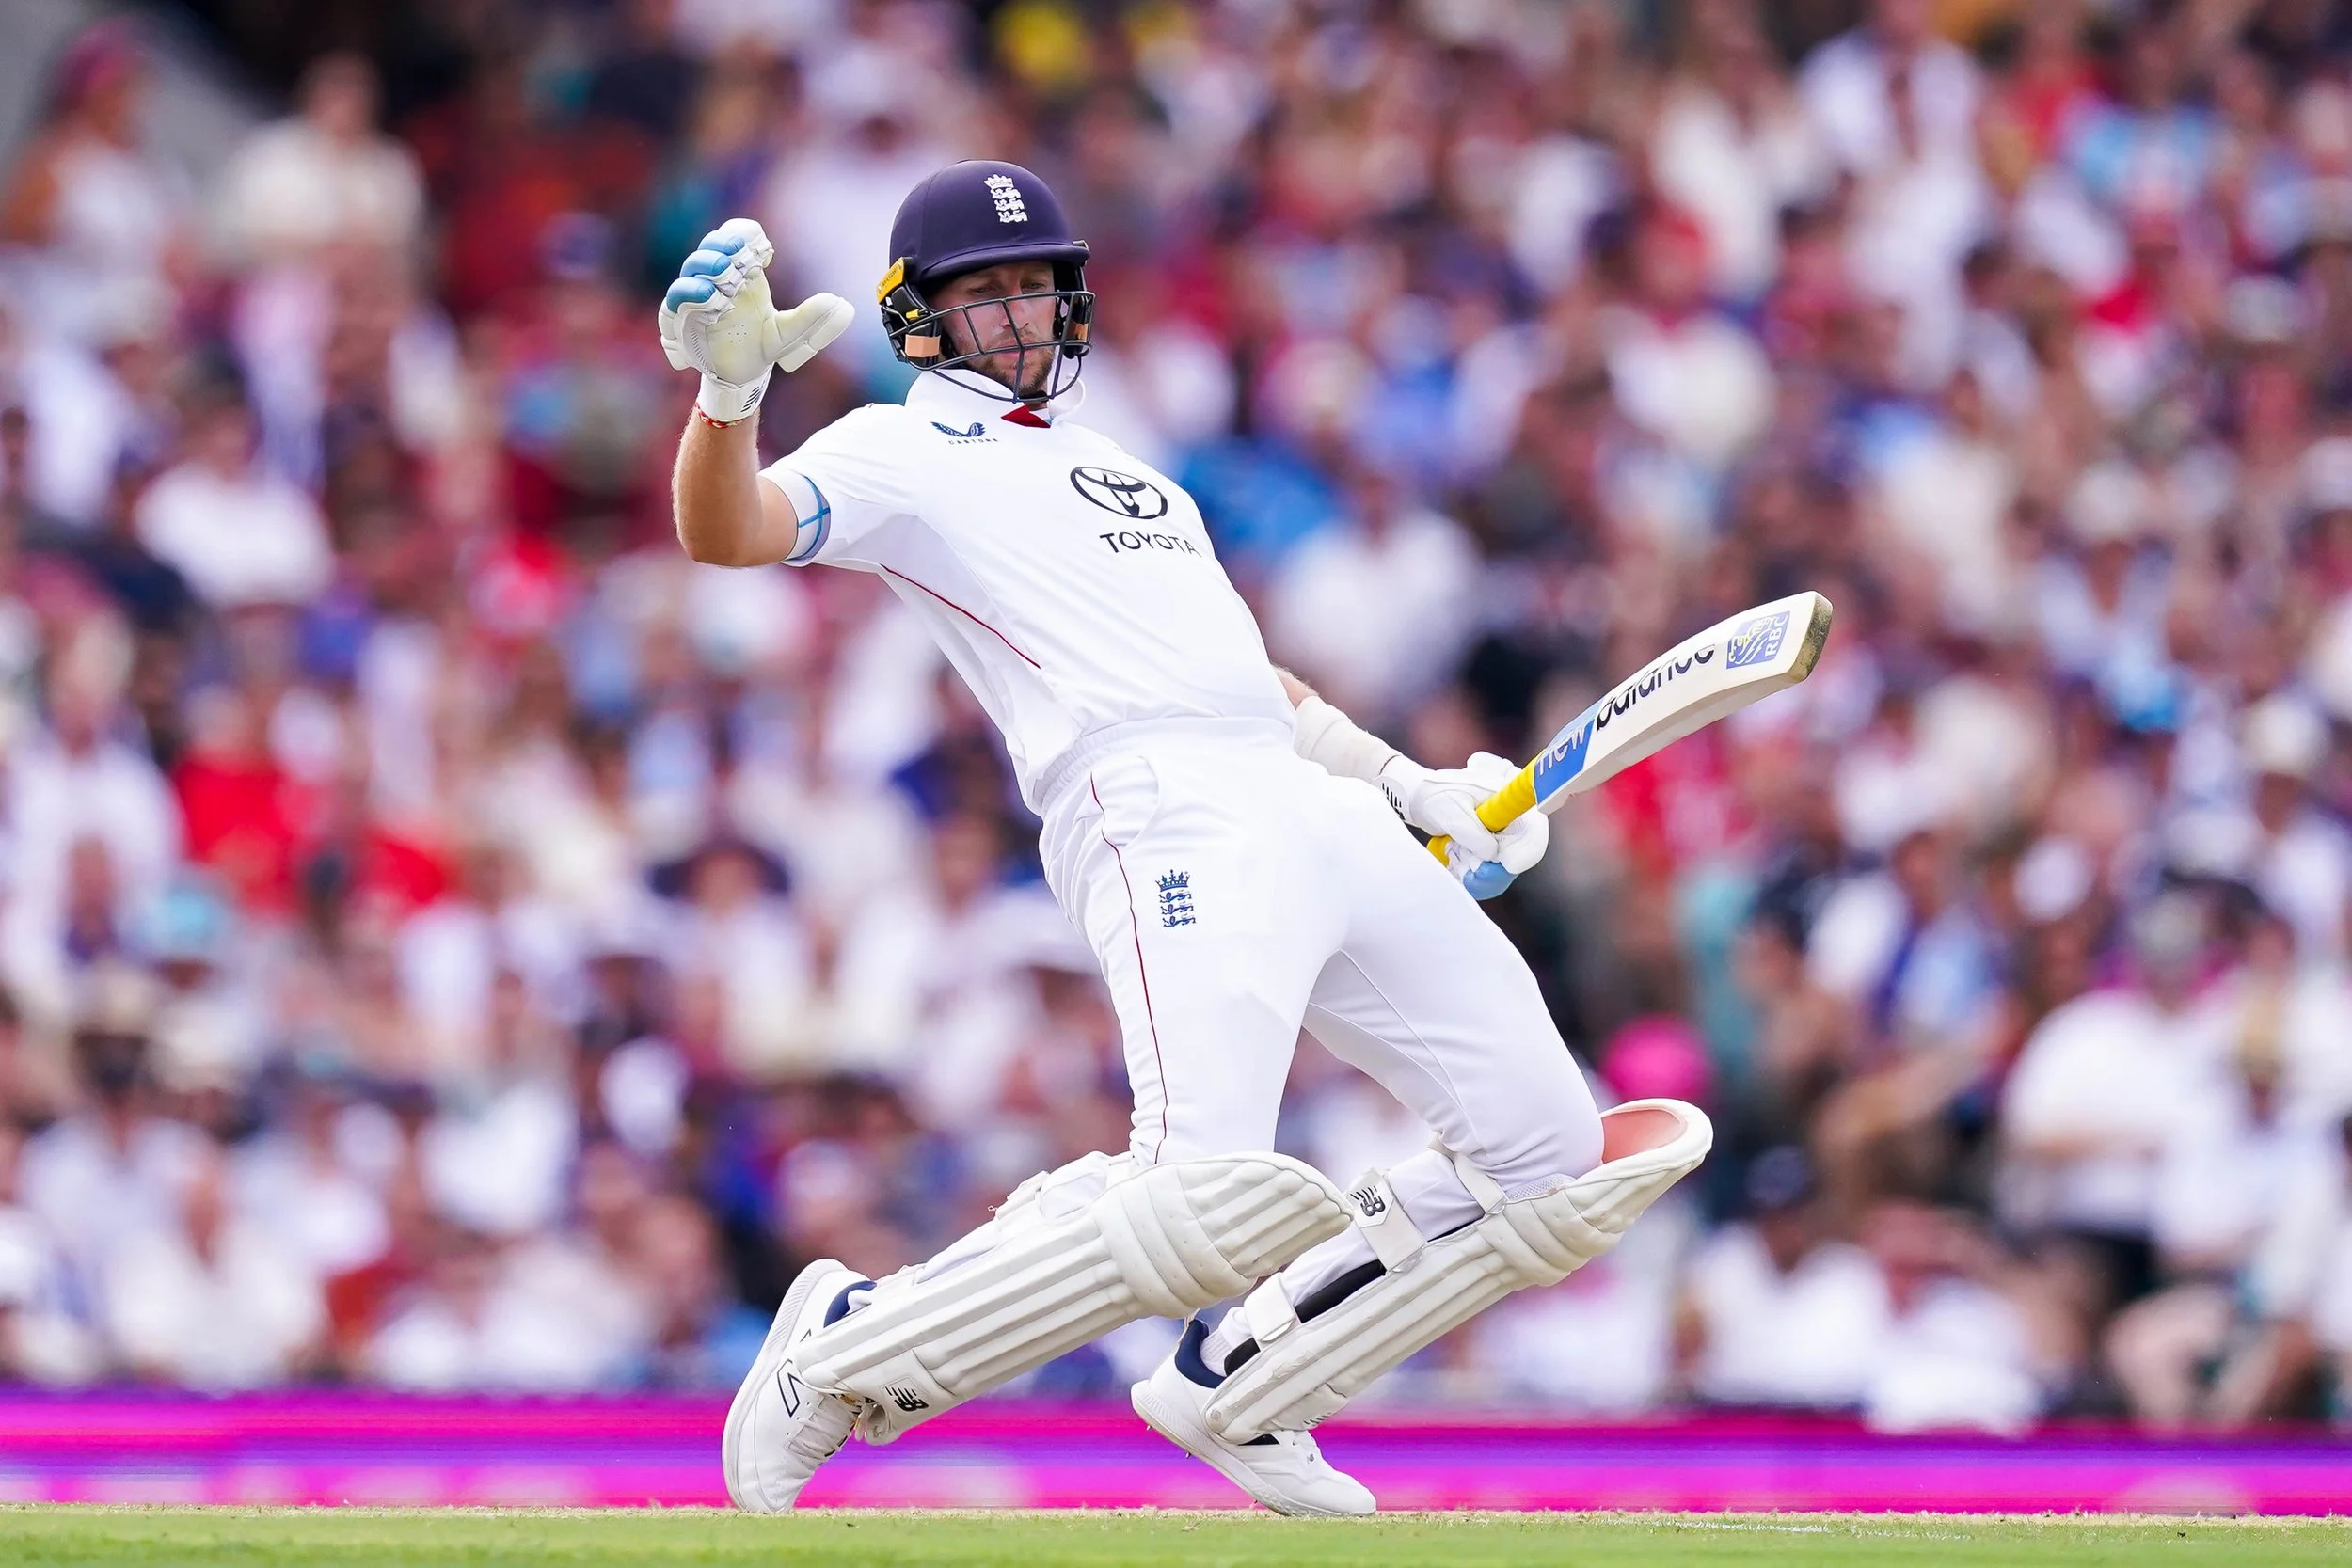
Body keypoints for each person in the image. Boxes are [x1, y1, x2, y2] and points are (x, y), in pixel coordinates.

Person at [660, 160, 1710, 1515]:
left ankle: (1249, 1381)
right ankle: (841, 1350)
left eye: (1040, 286)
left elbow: (1253, 686)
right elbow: (726, 530)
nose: (1023, 315)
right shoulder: (895, 446)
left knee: (1555, 1161)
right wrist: (729, 398)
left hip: (1298, 797)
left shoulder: (1141, 482)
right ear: (918, 315)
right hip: (1152, 802)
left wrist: (1417, 786)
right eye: (988, 294)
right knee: (1199, 1188)